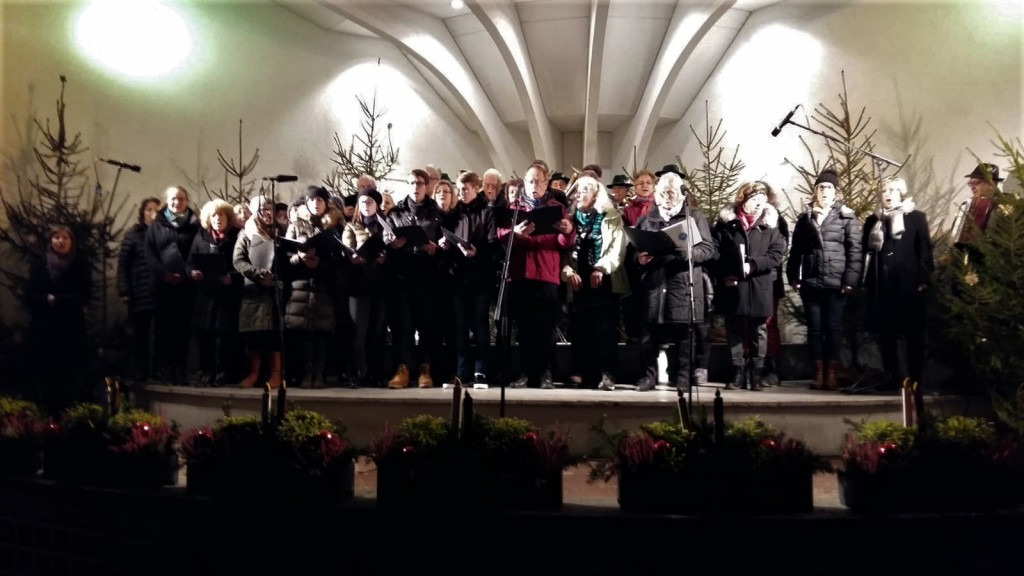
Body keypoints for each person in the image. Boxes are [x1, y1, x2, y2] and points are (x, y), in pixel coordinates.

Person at [634, 172, 716, 392]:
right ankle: (648, 377)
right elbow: (634, 250)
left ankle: (682, 378)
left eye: (670, 192)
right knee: (649, 334)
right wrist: (639, 258)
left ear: (680, 193)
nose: (666, 197)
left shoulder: (693, 216)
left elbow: (708, 249)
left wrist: (687, 252)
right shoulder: (647, 219)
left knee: (683, 334)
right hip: (654, 283)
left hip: (682, 283)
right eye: (662, 193)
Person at [499, 162, 575, 389]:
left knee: (547, 329)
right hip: (520, 274)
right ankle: (525, 373)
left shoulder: (556, 207)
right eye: (530, 181)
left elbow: (563, 243)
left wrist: (568, 231)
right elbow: (501, 235)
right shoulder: (513, 207)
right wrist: (515, 234)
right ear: (525, 182)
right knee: (524, 329)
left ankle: (545, 374)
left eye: (538, 181)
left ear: (546, 182)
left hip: (546, 273)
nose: (534, 185)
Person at [786, 168, 862, 390]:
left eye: (829, 187)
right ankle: (818, 373)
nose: (825, 191)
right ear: (815, 191)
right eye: (821, 188)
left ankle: (831, 374)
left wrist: (849, 280)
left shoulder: (846, 216)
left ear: (836, 191)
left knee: (833, 327)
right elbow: (796, 250)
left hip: (836, 282)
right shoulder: (805, 218)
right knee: (815, 329)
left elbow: (855, 250)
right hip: (811, 281)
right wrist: (793, 276)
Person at [860, 177, 933, 392]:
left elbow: (924, 249)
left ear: (901, 193)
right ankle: (891, 376)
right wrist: (867, 281)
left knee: (913, 333)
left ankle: (915, 378)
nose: (888, 194)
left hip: (909, 284)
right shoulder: (873, 220)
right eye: (884, 191)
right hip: (882, 285)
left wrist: (923, 278)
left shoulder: (915, 217)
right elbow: (866, 253)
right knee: (886, 333)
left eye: (892, 190)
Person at [712, 182, 787, 391]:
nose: (759, 204)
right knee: (734, 329)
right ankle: (737, 372)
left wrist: (753, 265)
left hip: (759, 283)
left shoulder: (770, 224)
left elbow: (776, 253)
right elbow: (715, 251)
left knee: (758, 330)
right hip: (733, 283)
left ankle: (756, 374)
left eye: (762, 200)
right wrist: (726, 272)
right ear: (742, 200)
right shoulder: (726, 223)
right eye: (754, 199)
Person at [561, 176, 627, 390]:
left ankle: (607, 373)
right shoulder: (570, 219)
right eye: (577, 191)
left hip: (604, 281)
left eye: (584, 190)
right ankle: (583, 373)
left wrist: (601, 268)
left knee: (605, 331)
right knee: (581, 330)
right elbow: (562, 251)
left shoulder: (611, 216)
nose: (579, 194)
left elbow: (617, 249)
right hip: (578, 283)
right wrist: (568, 271)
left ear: (595, 194)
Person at [385, 168, 443, 389]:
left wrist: (436, 250)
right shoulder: (396, 212)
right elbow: (386, 239)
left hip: (428, 276)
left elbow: (445, 243)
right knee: (404, 325)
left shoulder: (436, 212)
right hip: (403, 276)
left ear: (426, 186)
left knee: (426, 324)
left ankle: (425, 369)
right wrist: (394, 244)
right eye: (411, 183)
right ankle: (403, 368)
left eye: (419, 183)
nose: (415, 187)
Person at [440, 171, 499, 387]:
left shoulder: (487, 212)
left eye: (465, 189)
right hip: (458, 277)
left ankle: (481, 370)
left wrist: (477, 253)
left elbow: (494, 244)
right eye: (459, 189)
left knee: (480, 325)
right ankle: (461, 372)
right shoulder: (454, 213)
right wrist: (445, 244)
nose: (461, 193)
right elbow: (447, 236)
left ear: (476, 188)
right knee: (460, 326)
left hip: (480, 278)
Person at [28, 226, 92, 413]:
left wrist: (57, 300)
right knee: (46, 373)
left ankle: (68, 413)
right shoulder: (39, 265)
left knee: (69, 373)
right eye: (56, 237)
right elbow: (30, 294)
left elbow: (84, 295)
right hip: (45, 328)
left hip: (70, 328)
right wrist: (45, 300)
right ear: (50, 241)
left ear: (71, 241)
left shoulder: (80, 265)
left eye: (65, 237)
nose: (60, 241)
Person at [284, 186, 341, 389]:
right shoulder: (296, 225)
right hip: (301, 285)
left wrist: (320, 264)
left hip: (323, 286)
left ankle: (319, 373)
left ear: (326, 204)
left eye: (320, 200)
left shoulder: (334, 226)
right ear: (307, 203)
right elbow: (285, 256)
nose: (316, 203)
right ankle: (306, 373)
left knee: (322, 332)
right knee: (304, 333)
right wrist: (299, 258)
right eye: (312, 200)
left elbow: (339, 259)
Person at [146, 186, 200, 385]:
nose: (177, 202)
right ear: (166, 202)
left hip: (186, 287)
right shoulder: (156, 224)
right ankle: (165, 370)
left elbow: (197, 251)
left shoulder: (195, 224)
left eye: (181, 199)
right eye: (173, 199)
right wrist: (165, 274)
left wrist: (185, 274)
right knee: (163, 331)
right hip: (163, 287)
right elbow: (150, 253)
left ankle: (180, 370)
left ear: (187, 201)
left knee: (182, 331)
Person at [186, 199, 243, 386]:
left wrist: (232, 278)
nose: (218, 219)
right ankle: (206, 370)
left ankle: (223, 371)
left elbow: (243, 265)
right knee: (205, 334)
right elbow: (190, 263)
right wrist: (192, 273)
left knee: (225, 335)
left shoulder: (236, 237)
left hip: (226, 296)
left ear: (228, 217)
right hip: (206, 295)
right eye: (214, 215)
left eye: (222, 215)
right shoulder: (200, 237)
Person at [233, 195, 284, 389]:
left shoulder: (281, 232)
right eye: (263, 209)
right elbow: (238, 260)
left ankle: (276, 374)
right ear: (255, 212)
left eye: (271, 209)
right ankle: (253, 373)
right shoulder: (247, 233)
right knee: (256, 334)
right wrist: (256, 273)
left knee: (275, 335)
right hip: (255, 290)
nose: (268, 213)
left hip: (276, 291)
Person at [342, 187, 390, 388]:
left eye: (370, 202)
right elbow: (347, 248)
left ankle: (376, 373)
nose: (366, 205)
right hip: (358, 284)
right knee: (359, 330)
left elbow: (391, 248)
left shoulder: (385, 226)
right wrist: (352, 256)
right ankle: (358, 372)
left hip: (379, 284)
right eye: (363, 202)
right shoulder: (351, 226)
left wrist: (385, 257)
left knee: (377, 331)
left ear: (377, 205)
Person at [118, 197, 161, 382]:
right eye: (149, 209)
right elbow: (123, 264)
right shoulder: (134, 235)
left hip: (160, 294)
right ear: (143, 212)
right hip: (139, 293)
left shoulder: (165, 233)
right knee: (140, 335)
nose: (153, 213)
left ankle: (158, 372)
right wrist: (124, 291)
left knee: (160, 336)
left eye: (156, 209)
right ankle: (140, 371)